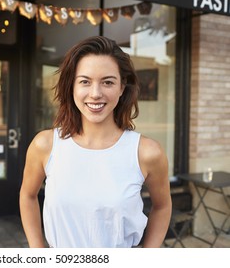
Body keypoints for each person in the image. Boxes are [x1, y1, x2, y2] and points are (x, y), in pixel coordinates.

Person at [19, 36, 172, 248]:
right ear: (71, 86)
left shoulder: (146, 152)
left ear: (121, 87)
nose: (95, 94)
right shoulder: (45, 145)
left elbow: (162, 206)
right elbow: (27, 196)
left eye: (108, 82)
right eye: (85, 81)